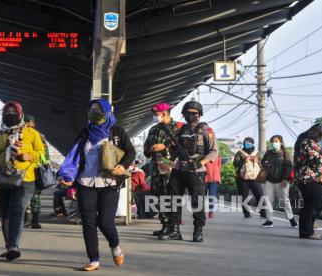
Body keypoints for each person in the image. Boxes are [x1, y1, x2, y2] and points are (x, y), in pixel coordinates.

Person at [58, 99, 135, 271]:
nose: (94, 111)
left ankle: (115, 247)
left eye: (98, 109)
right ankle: (94, 260)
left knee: (105, 222)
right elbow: (75, 156)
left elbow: (130, 152)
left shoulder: (117, 131)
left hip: (109, 183)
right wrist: (69, 175)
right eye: (91, 109)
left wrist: (122, 166)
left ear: (107, 111)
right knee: (88, 222)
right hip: (85, 183)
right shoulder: (85, 132)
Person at [0, 101, 45, 261]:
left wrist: (28, 156)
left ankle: (13, 246)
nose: (11, 114)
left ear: (20, 114)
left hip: (25, 178)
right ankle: (10, 247)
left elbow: (42, 155)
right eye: (8, 111)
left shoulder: (32, 133)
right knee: (5, 213)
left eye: (14, 111)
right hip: (2, 178)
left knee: (17, 210)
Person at [159, 100, 218, 242]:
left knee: (197, 202)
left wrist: (200, 163)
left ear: (199, 114)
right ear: (184, 114)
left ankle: (198, 231)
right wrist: (166, 160)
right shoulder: (180, 130)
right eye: (187, 113)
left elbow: (213, 151)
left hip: (196, 170)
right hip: (179, 168)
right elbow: (172, 153)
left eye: (194, 113)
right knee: (172, 199)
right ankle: (174, 230)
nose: (190, 116)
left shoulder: (206, 130)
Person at [143, 102, 183, 236]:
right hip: (155, 168)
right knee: (158, 196)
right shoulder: (153, 129)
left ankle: (174, 226)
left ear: (164, 113)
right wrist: (151, 149)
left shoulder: (178, 128)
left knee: (170, 196)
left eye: (156, 114)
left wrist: (164, 146)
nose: (154, 117)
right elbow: (146, 149)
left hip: (171, 168)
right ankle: (164, 224)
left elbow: (182, 147)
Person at [294, 124, 322, 240]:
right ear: (317, 133)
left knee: (316, 204)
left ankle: (307, 229)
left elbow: (312, 157)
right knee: (312, 205)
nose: (321, 137)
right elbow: (316, 160)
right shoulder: (308, 142)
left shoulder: (306, 142)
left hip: (312, 178)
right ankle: (307, 232)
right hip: (309, 178)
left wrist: (321, 154)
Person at [260, 135, 298, 228]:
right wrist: (266, 163)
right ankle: (269, 221)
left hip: (282, 181)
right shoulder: (268, 153)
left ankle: (291, 219)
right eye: (272, 141)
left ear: (281, 142)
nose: (274, 143)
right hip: (269, 180)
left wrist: (284, 178)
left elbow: (289, 167)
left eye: (276, 141)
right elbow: (263, 162)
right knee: (268, 200)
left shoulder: (286, 154)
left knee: (284, 201)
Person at [233, 137, 265, 219]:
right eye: (245, 142)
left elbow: (262, 165)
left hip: (255, 178)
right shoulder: (240, 153)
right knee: (244, 195)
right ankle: (246, 213)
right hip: (242, 178)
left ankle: (263, 212)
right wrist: (244, 160)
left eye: (248, 143)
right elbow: (235, 164)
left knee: (259, 194)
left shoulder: (257, 153)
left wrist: (257, 161)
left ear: (252, 144)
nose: (245, 144)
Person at [22, 114, 45, 229]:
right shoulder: (39, 136)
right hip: (36, 170)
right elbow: (44, 155)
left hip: (30, 170)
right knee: (34, 197)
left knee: (25, 196)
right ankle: (34, 220)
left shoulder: (20, 133)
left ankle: (27, 220)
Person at [205, 151, 221, 219]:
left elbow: (219, 167)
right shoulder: (203, 155)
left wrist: (218, 177)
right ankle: (200, 211)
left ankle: (211, 211)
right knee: (201, 196)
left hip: (214, 179)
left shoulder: (218, 156)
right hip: (204, 178)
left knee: (212, 196)